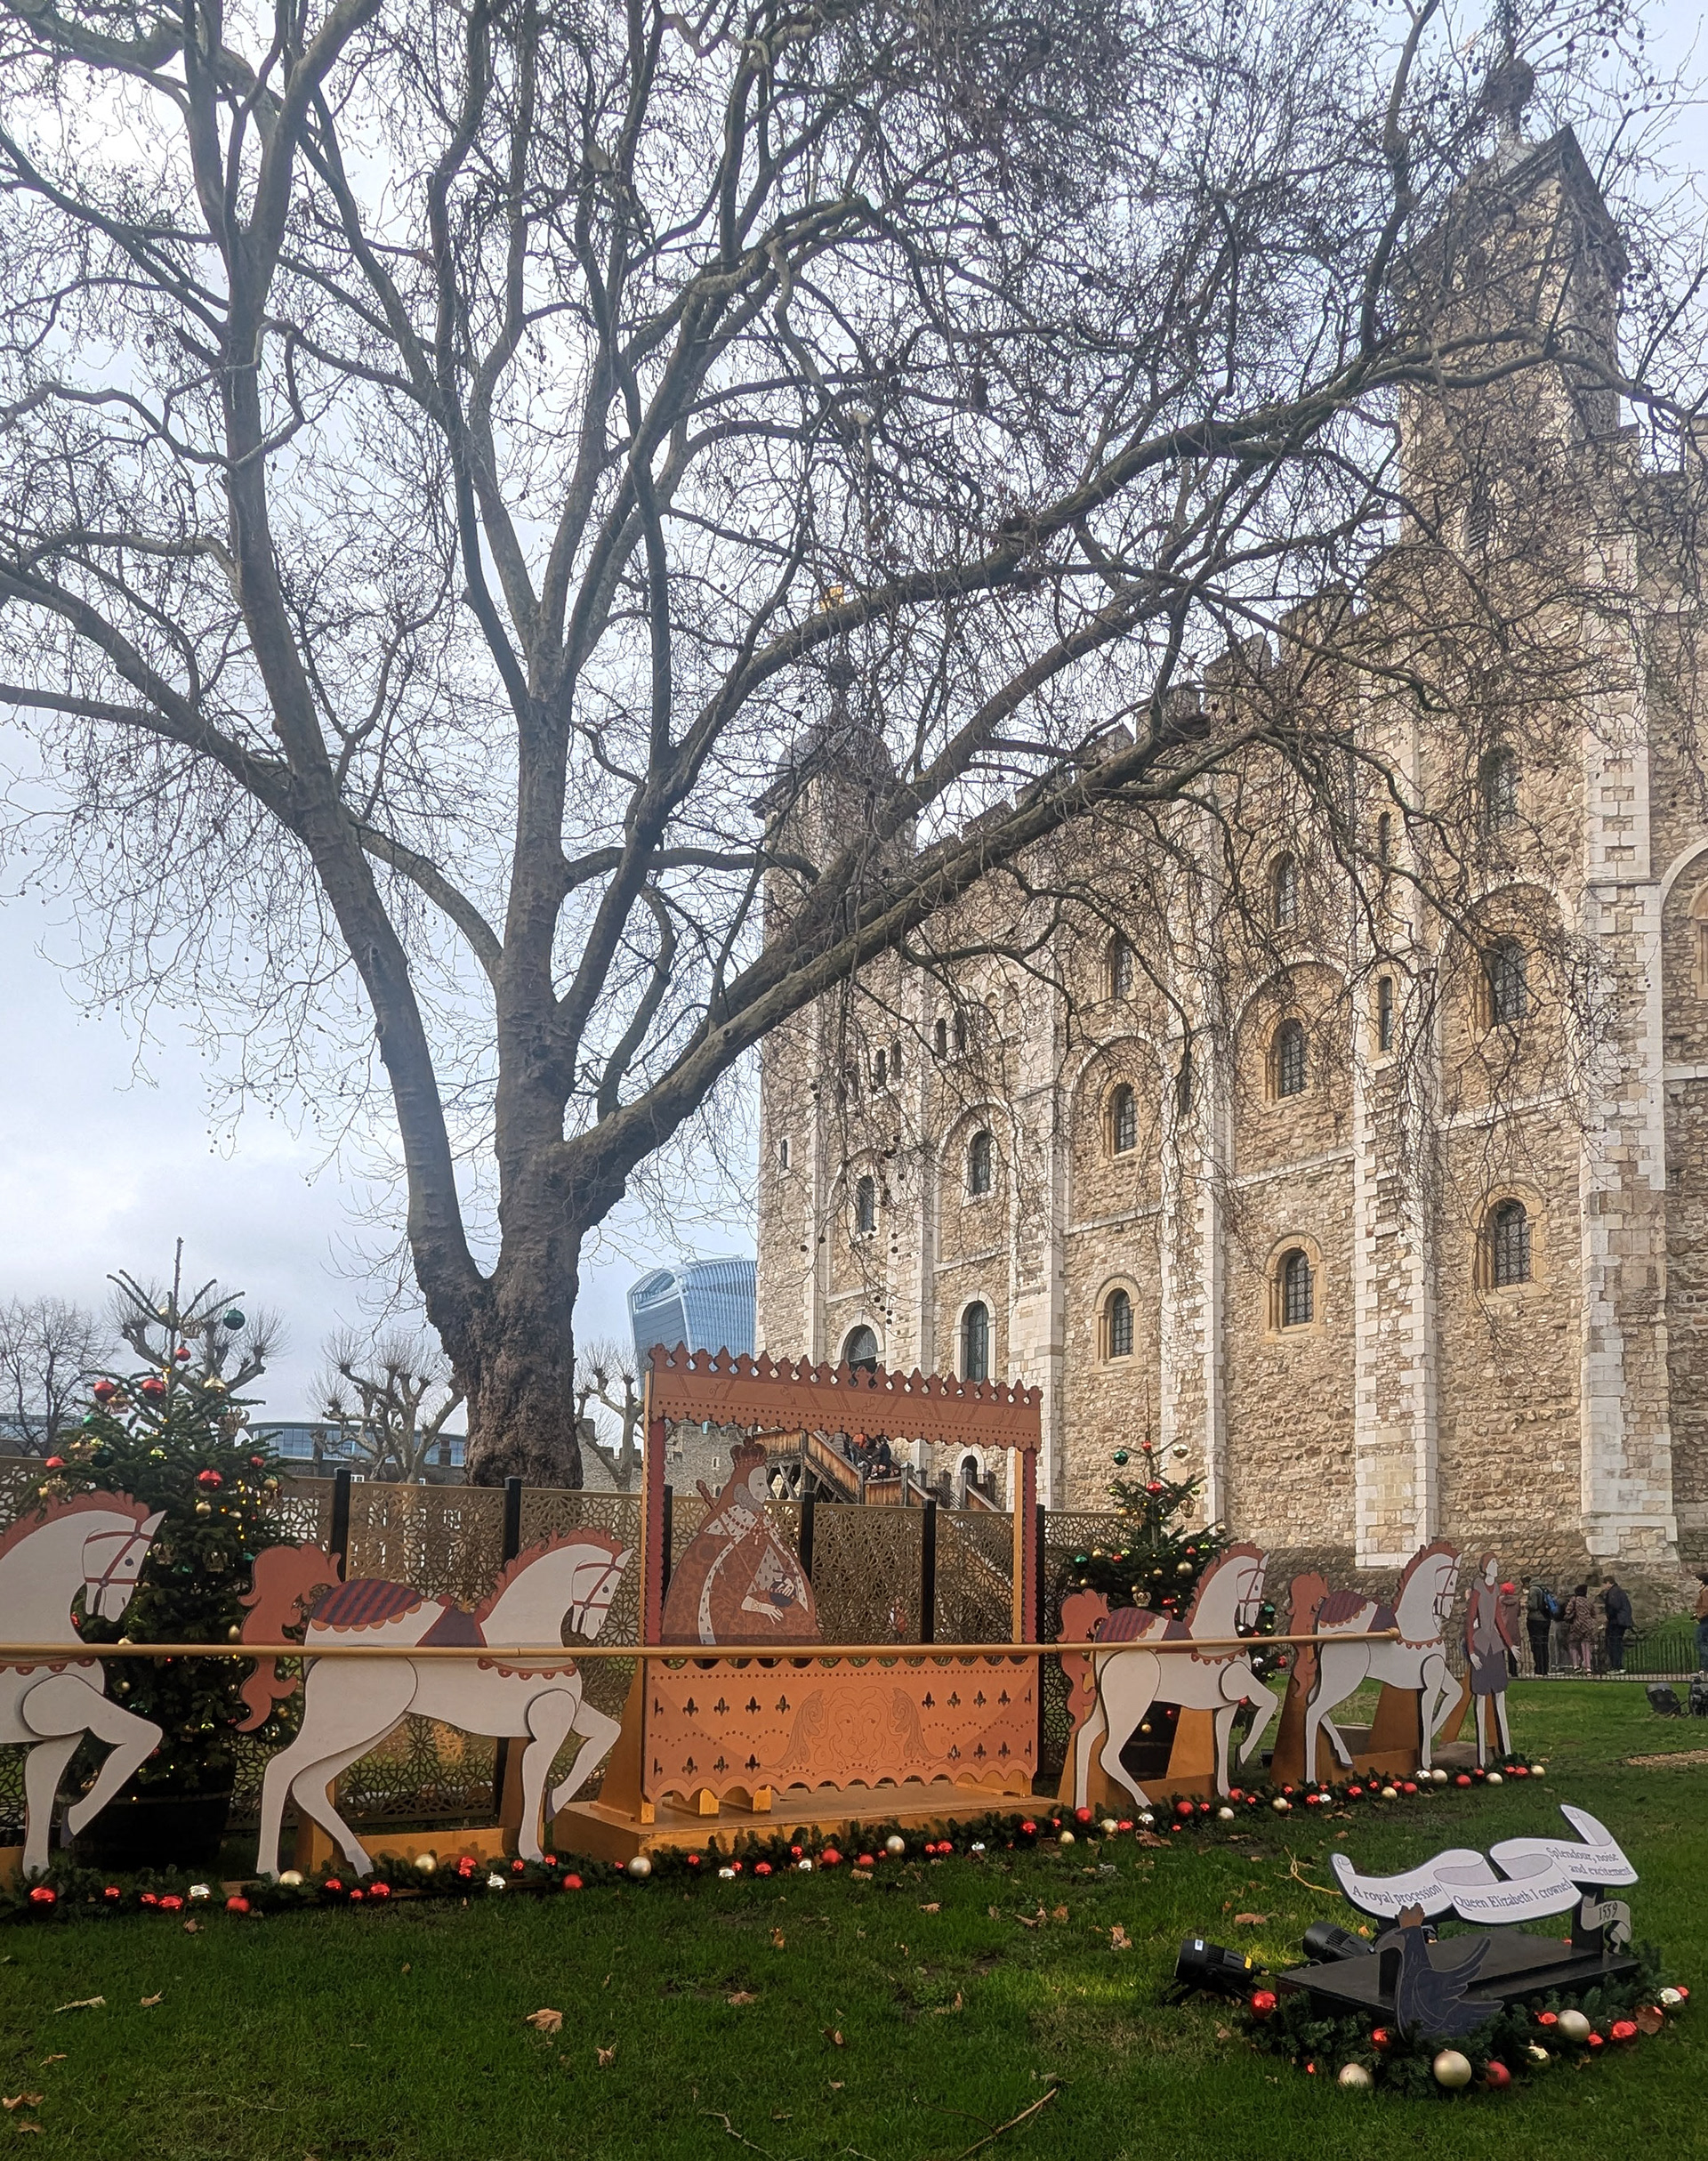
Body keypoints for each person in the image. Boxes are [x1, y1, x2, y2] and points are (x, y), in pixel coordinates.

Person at [1464, 1552, 1516, 1763]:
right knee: (1481, 1697)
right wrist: (1471, 1651)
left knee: (1500, 1694)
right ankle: (1481, 1760)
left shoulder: (1495, 1589)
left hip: (1494, 1644)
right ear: (1485, 1567)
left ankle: (1509, 1753)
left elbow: (1497, 1619)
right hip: (1480, 1644)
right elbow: (1470, 1620)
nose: (1496, 1566)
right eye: (1493, 1563)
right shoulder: (1478, 1588)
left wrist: (1510, 1645)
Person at [1600, 1575, 1633, 1673]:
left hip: (1616, 1621)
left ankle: (1616, 1666)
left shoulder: (1613, 1592)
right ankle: (1618, 1666)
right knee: (1617, 1643)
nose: (1604, 1587)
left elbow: (1613, 1606)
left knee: (1614, 1643)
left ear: (1608, 1583)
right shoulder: (1619, 1591)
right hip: (1622, 1620)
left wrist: (1609, 1617)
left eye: (1605, 1584)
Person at [1563, 1583, 1599, 1673]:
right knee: (1586, 1645)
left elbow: (1568, 1611)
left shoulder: (1574, 1600)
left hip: (1577, 1625)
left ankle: (1576, 1665)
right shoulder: (1589, 1601)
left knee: (1572, 1644)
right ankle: (1588, 1667)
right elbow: (1594, 1614)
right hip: (1588, 1626)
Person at [1523, 1576, 1554, 1677]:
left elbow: (1534, 1605)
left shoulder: (1533, 1589)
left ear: (1527, 1583)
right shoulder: (1543, 1588)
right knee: (1544, 1644)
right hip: (1546, 1619)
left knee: (1537, 1645)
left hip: (1536, 1620)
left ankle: (1539, 1670)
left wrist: (1525, 1604)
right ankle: (1545, 1668)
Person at [1697, 1575, 1708, 1673]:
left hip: (1705, 1621)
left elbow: (1706, 1608)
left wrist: (1698, 1616)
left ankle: (1704, 1668)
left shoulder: (1705, 1592)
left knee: (1703, 1643)